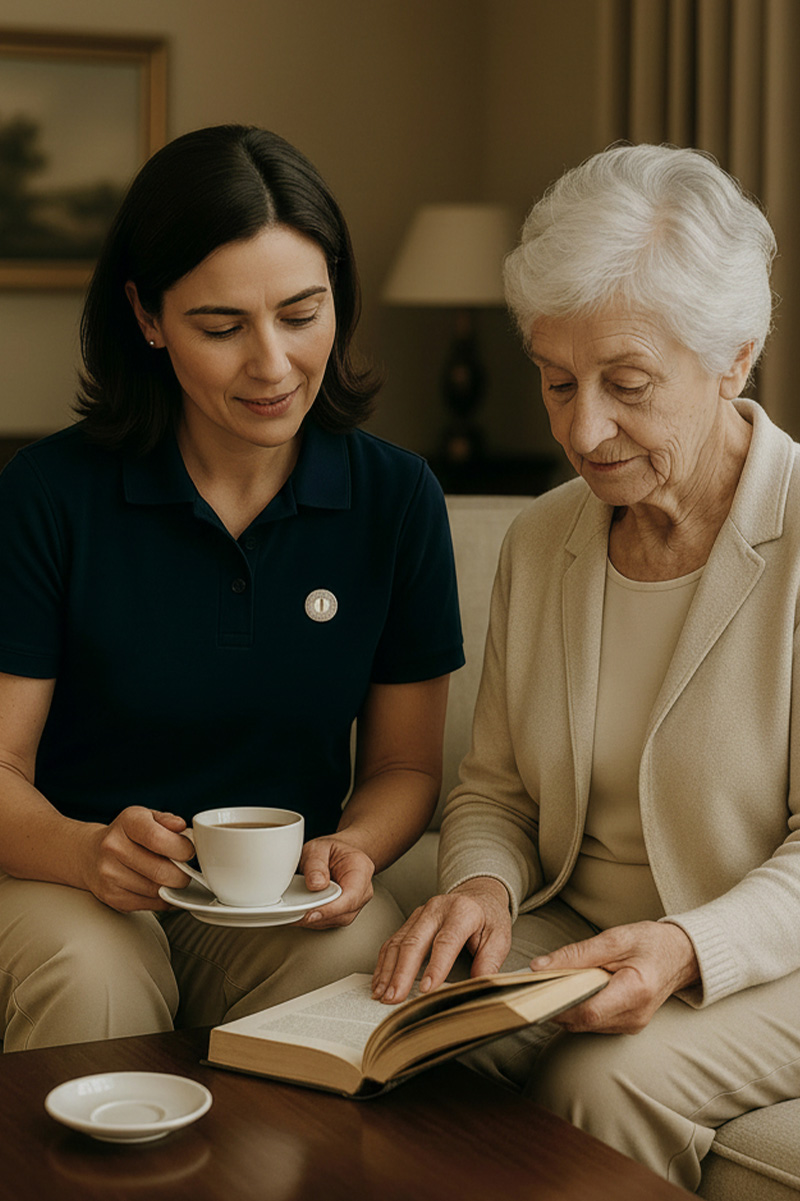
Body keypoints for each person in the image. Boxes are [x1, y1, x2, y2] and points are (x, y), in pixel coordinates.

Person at [372, 143, 800, 1192]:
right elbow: (495, 789)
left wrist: (680, 945)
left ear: (732, 358)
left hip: (764, 950)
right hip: (579, 928)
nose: (581, 429)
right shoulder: (545, 538)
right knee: (386, 1032)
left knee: (601, 1082)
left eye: (627, 384)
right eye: (557, 383)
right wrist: (477, 882)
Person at [0, 124, 464, 1051]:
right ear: (147, 316)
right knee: (93, 973)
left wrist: (356, 848)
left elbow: (404, 768)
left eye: (302, 314)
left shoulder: (396, 497)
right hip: (63, 879)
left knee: (358, 959)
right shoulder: (48, 496)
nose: (273, 364)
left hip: (274, 899)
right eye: (222, 327)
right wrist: (88, 852)